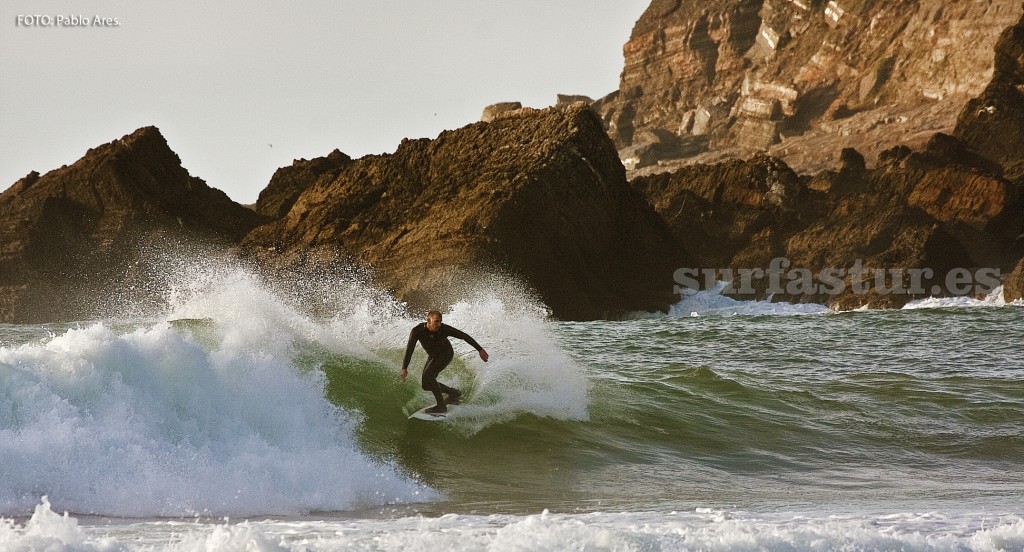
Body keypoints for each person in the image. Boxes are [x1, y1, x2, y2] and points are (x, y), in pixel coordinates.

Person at [401, 310, 488, 413]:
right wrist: (404, 367)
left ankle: (441, 406)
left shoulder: (444, 329)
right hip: (434, 356)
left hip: (446, 354)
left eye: (440, 321)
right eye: (436, 321)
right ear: (428, 320)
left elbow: (463, 336)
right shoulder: (417, 331)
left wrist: (480, 349)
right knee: (425, 385)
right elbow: (410, 349)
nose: (438, 324)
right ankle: (453, 393)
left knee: (429, 376)